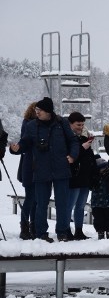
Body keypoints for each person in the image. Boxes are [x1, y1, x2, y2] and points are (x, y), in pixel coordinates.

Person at [10, 97, 79, 242]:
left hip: (61, 168)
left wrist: (72, 156)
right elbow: (25, 143)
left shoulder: (62, 123)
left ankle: (62, 232)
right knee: (41, 203)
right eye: (36, 110)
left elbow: (73, 141)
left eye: (39, 110)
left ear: (48, 111)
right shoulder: (31, 126)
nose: (37, 113)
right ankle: (41, 233)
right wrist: (16, 149)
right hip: (41, 169)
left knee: (62, 203)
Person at [66, 112, 96, 240]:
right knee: (69, 205)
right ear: (70, 124)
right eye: (78, 125)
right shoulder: (66, 137)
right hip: (73, 176)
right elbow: (71, 156)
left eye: (83, 124)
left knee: (81, 206)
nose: (81, 127)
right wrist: (82, 148)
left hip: (84, 175)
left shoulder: (84, 137)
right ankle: (66, 229)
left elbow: (88, 156)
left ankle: (79, 230)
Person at [14, 103, 37, 240]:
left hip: (37, 166)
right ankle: (24, 225)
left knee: (37, 199)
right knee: (30, 197)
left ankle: (33, 225)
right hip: (29, 166)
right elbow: (25, 143)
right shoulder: (28, 124)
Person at [91, 157, 109, 239]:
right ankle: (100, 231)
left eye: (105, 168)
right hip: (97, 203)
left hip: (108, 202)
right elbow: (91, 187)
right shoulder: (95, 178)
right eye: (101, 168)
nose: (104, 170)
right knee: (98, 219)